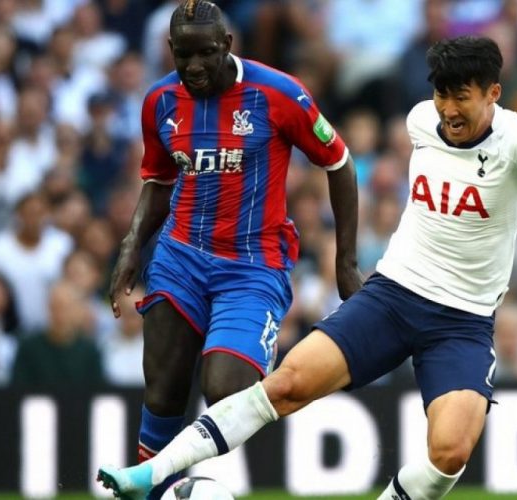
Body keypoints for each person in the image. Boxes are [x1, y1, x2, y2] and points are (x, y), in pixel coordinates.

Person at [98, 35, 517, 500]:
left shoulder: (516, 136)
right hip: (393, 294)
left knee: (450, 452)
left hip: (462, 321)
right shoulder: (420, 121)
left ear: (493, 93)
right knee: (285, 385)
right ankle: (150, 474)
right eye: (442, 95)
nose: (449, 110)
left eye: (463, 97)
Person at [106, 0, 361, 497]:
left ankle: (190, 483)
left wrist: (345, 263)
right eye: (183, 55)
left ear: (227, 44)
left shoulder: (278, 93)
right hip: (180, 257)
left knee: (226, 390)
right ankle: (160, 492)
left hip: (252, 266)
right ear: (170, 49)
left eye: (205, 52)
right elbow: (159, 179)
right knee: (164, 392)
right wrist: (133, 244)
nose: (194, 66)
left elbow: (340, 163)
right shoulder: (159, 101)